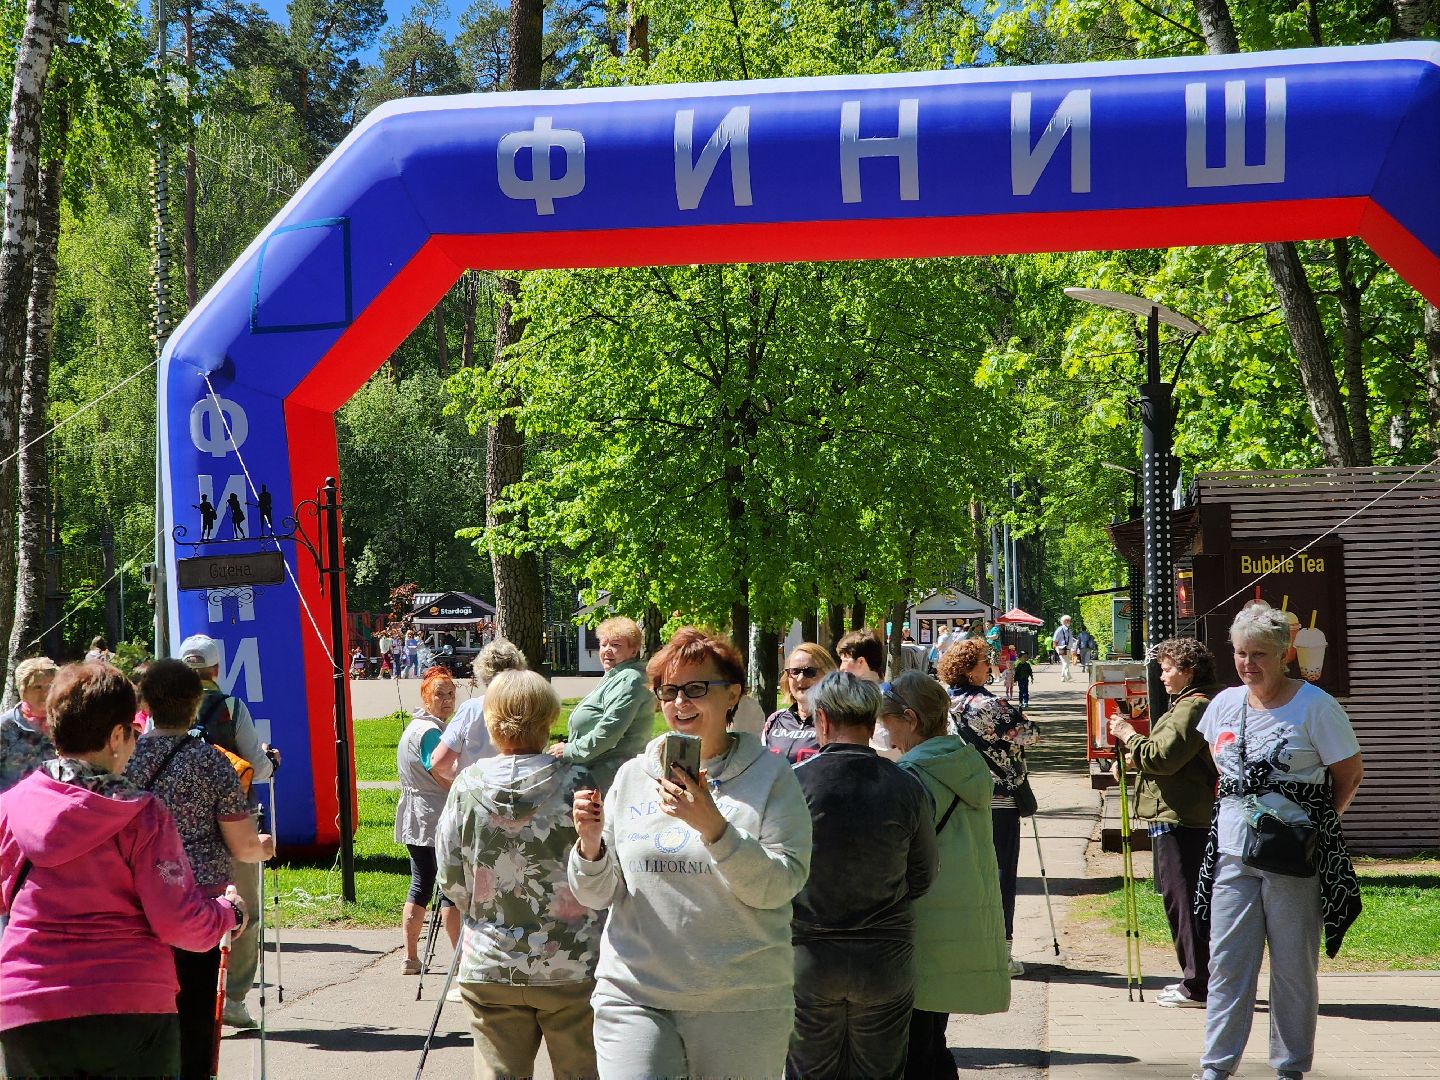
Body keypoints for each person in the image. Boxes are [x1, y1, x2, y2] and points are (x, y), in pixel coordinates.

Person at [569, 627, 813, 1078]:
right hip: (633, 995)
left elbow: (779, 886)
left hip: (742, 1003)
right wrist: (589, 845)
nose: (680, 702)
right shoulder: (633, 776)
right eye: (669, 691)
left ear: (733, 694)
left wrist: (714, 828)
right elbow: (597, 894)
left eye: (696, 688)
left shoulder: (771, 776)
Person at [0, 662, 245, 1079]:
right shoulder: (142, 816)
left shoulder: (12, 806)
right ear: (116, 736)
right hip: (130, 1005)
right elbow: (178, 921)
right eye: (132, 731)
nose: (134, 741)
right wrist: (228, 913)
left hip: (28, 1006)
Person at [1192, 603, 1364, 1080]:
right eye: (1240, 653)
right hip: (1232, 854)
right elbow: (1223, 775)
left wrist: (1313, 826)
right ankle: (1215, 1068)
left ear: (1284, 654)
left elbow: (1349, 774)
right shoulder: (1223, 705)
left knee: (1292, 969)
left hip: (1293, 859)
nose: (1248, 663)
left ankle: (1289, 1068)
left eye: (1259, 654)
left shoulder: (1316, 705)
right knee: (1227, 965)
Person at [436, 668, 602, 1080]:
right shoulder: (578, 782)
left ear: (492, 721)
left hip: (490, 961)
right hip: (571, 962)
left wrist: (483, 907)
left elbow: (450, 876)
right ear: (549, 719)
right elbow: (601, 866)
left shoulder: (466, 785)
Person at [125, 659, 274, 1077]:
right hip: (197, 908)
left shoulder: (124, 762)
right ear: (195, 705)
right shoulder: (212, 763)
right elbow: (243, 845)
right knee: (194, 1016)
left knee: (144, 1017)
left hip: (135, 902)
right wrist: (262, 848)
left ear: (145, 704)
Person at [787, 672, 936, 1080]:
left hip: (809, 955)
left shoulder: (795, 784)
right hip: (884, 957)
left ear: (822, 720)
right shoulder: (907, 786)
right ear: (872, 724)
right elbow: (924, 874)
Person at [878, 672, 1010, 1079]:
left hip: (925, 926)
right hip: (962, 925)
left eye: (888, 722)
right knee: (932, 1042)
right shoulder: (965, 762)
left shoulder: (913, 775)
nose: (885, 733)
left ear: (911, 719)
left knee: (917, 1051)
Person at [1107, 637, 1220, 1010]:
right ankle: (1199, 981)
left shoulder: (1194, 706)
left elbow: (1164, 757)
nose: (1162, 676)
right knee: (1185, 900)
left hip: (1182, 817)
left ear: (1189, 670)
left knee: (1184, 900)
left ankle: (1197, 985)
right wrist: (1135, 759)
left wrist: (1128, 736)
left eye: (1168, 669)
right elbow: (1168, 757)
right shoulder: (1192, 703)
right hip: (1181, 813)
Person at [177, 632, 279, 1028]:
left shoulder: (166, 710)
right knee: (244, 908)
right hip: (235, 819)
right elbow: (258, 766)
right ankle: (234, 998)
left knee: (183, 903)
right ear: (216, 669)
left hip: (181, 824)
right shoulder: (232, 708)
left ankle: (185, 991)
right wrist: (271, 760)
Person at [939, 637, 1037, 976]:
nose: (990, 665)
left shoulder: (942, 703)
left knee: (962, 875)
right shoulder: (990, 705)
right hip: (998, 800)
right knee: (999, 874)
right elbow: (1030, 735)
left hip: (954, 799)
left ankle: (961, 947)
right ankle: (999, 952)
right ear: (970, 669)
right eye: (985, 661)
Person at [397, 666, 463, 972]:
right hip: (433, 816)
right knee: (448, 888)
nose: (447, 700)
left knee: (421, 883)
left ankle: (410, 957)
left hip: (416, 816)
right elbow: (442, 772)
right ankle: (460, 960)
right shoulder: (431, 732)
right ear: (426, 697)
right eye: (440, 694)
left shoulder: (415, 727)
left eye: (451, 693)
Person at [548, 616, 655, 791]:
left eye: (616, 645)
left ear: (634, 650)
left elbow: (609, 730)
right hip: (596, 765)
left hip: (610, 772)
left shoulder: (630, 679)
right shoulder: (617, 675)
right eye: (603, 644)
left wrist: (570, 751)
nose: (607, 650)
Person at [431, 639, 528, 784]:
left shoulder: (472, 708)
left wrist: (460, 777)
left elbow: (439, 761)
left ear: (482, 670)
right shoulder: (529, 708)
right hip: (519, 789)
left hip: (477, 790)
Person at [762, 641, 837, 764]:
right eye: (795, 672)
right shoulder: (775, 720)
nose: (801, 678)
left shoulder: (839, 722)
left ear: (828, 675)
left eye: (810, 672)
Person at [0, 657, 59, 793]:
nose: (45, 693)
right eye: (37, 687)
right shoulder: (6, 726)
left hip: (55, 800)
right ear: (23, 690)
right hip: (13, 801)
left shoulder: (65, 723)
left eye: (50, 686)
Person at [1052, 615, 1077, 681]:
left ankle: (1063, 677)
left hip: (1068, 648)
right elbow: (1055, 639)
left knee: (1066, 663)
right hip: (1062, 648)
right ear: (1065, 621)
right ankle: (1067, 676)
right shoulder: (1060, 629)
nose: (1070, 622)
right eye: (1069, 620)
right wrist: (1056, 648)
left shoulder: (1068, 630)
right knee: (1066, 663)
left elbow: (1070, 639)